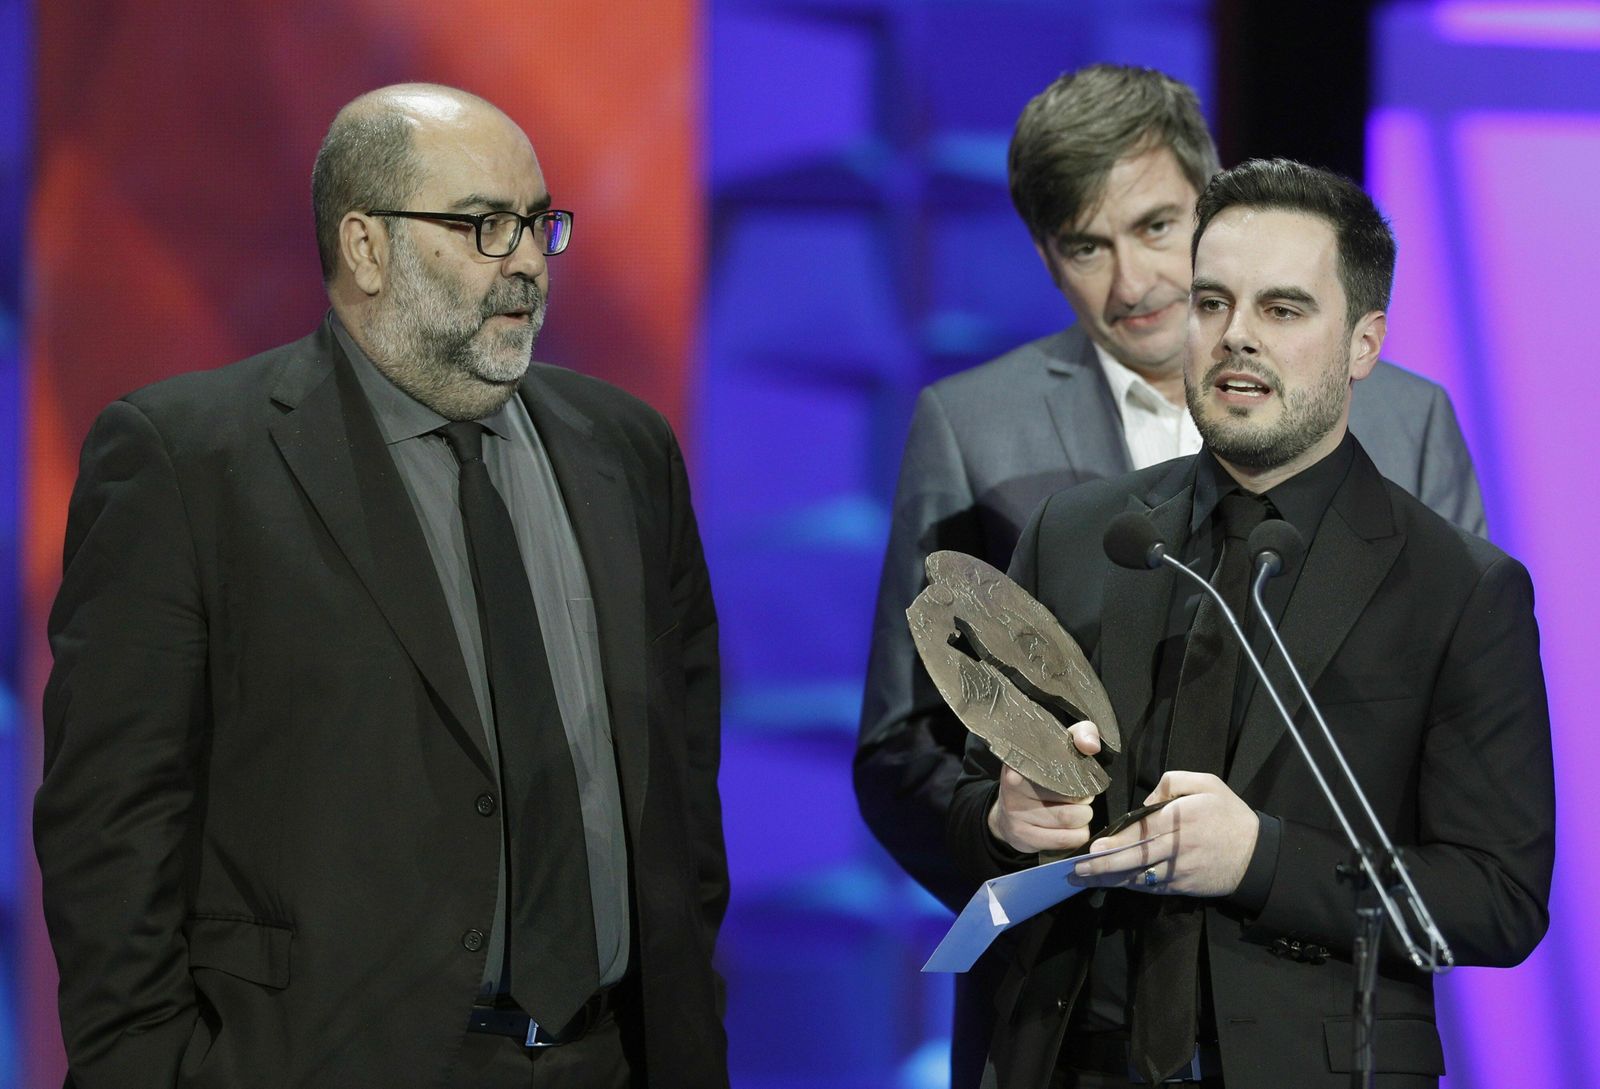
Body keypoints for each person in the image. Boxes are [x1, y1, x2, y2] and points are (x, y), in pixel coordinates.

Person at [35, 84, 727, 1089]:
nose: (528, 262)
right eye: (484, 226)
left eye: (539, 224)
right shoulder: (189, 461)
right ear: (365, 247)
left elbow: (684, 785)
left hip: (611, 1059)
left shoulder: (625, 449)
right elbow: (111, 829)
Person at [853, 64, 1486, 1087]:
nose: (1133, 283)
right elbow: (900, 746)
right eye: (1085, 247)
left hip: (1322, 1013)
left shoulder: (1404, 420)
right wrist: (1001, 830)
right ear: (1044, 256)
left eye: (1156, 228)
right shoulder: (972, 429)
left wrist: (1283, 861)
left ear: (1214, 203)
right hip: (1067, 1019)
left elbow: (1461, 753)